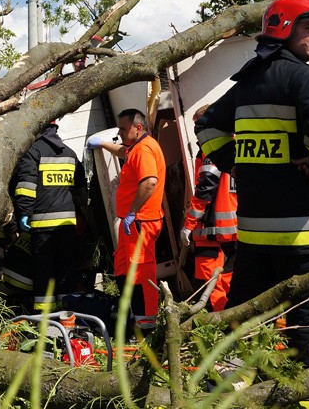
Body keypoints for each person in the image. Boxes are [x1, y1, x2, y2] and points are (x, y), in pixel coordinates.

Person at [194, 0, 309, 409]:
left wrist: (233, 161)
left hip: (256, 235)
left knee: (248, 318)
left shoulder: (248, 82)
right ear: (283, 26)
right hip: (308, 234)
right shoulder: (303, 78)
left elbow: (205, 125)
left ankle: (223, 405)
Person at [87, 108, 166, 333]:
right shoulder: (138, 148)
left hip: (140, 221)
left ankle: (146, 324)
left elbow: (149, 181)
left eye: (123, 128)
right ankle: (132, 316)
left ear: (137, 127)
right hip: (134, 222)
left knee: (140, 273)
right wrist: (102, 144)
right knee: (124, 269)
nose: (120, 132)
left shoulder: (144, 150)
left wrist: (132, 212)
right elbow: (125, 153)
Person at [12, 121, 87, 310]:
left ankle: (44, 317)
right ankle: (68, 313)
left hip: (42, 224)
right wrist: (80, 213)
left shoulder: (34, 151)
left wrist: (24, 213)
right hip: (67, 224)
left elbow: (26, 187)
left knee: (43, 270)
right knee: (66, 269)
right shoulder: (70, 154)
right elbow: (80, 189)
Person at [180, 104, 237, 312]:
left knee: (209, 286)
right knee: (228, 283)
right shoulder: (235, 144)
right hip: (235, 230)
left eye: (198, 127)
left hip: (212, 231)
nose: (197, 135)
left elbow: (206, 187)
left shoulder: (213, 148)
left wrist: (189, 224)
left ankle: (218, 331)